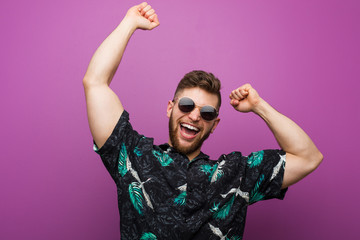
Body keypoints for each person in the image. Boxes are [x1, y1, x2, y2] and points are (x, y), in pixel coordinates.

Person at [83, 2, 323, 239]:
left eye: (207, 112)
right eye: (187, 105)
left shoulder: (237, 174)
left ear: (214, 124)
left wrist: (260, 107)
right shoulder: (132, 156)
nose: (195, 115)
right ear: (170, 108)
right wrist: (130, 22)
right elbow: (95, 83)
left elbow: (308, 157)